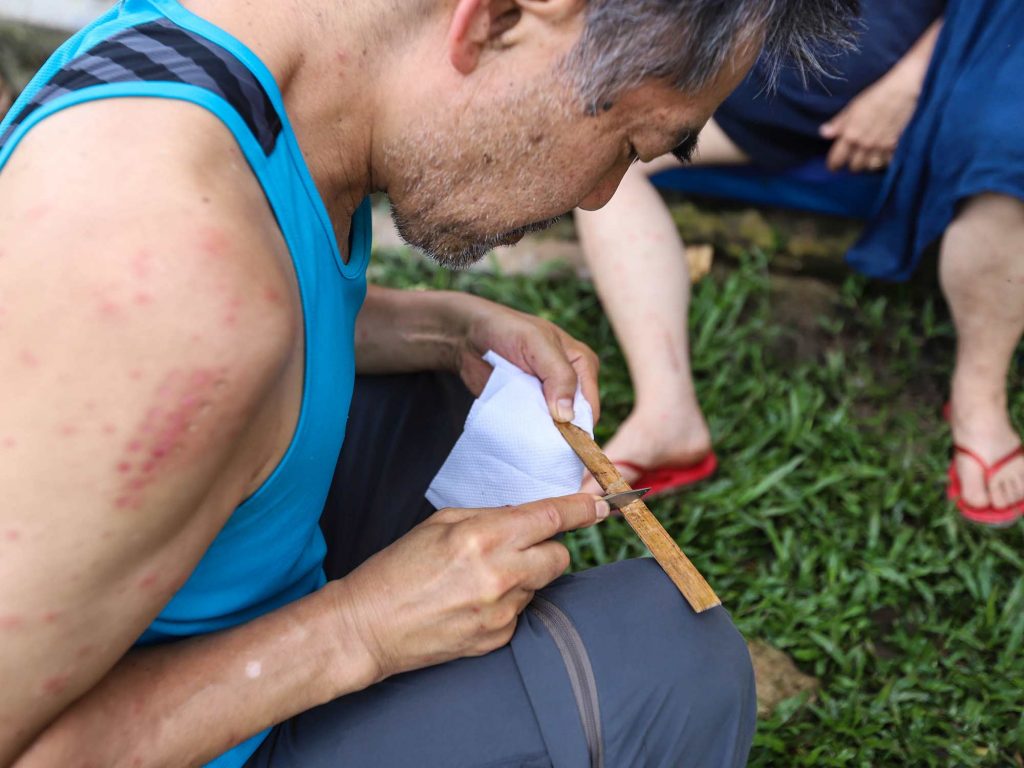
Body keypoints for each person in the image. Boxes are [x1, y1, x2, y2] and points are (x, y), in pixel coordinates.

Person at [0, 0, 855, 765]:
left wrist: (440, 326)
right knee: (671, 668)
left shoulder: (212, 51)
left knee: (449, 401)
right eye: (625, 144)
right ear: (494, 19)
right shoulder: (164, 284)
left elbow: (269, 288)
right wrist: (359, 632)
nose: (598, 199)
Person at [577, 0, 1024, 528]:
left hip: (962, 31)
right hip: (803, 50)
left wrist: (907, 84)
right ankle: (666, 412)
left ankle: (979, 398)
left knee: (1003, 156)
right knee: (601, 149)